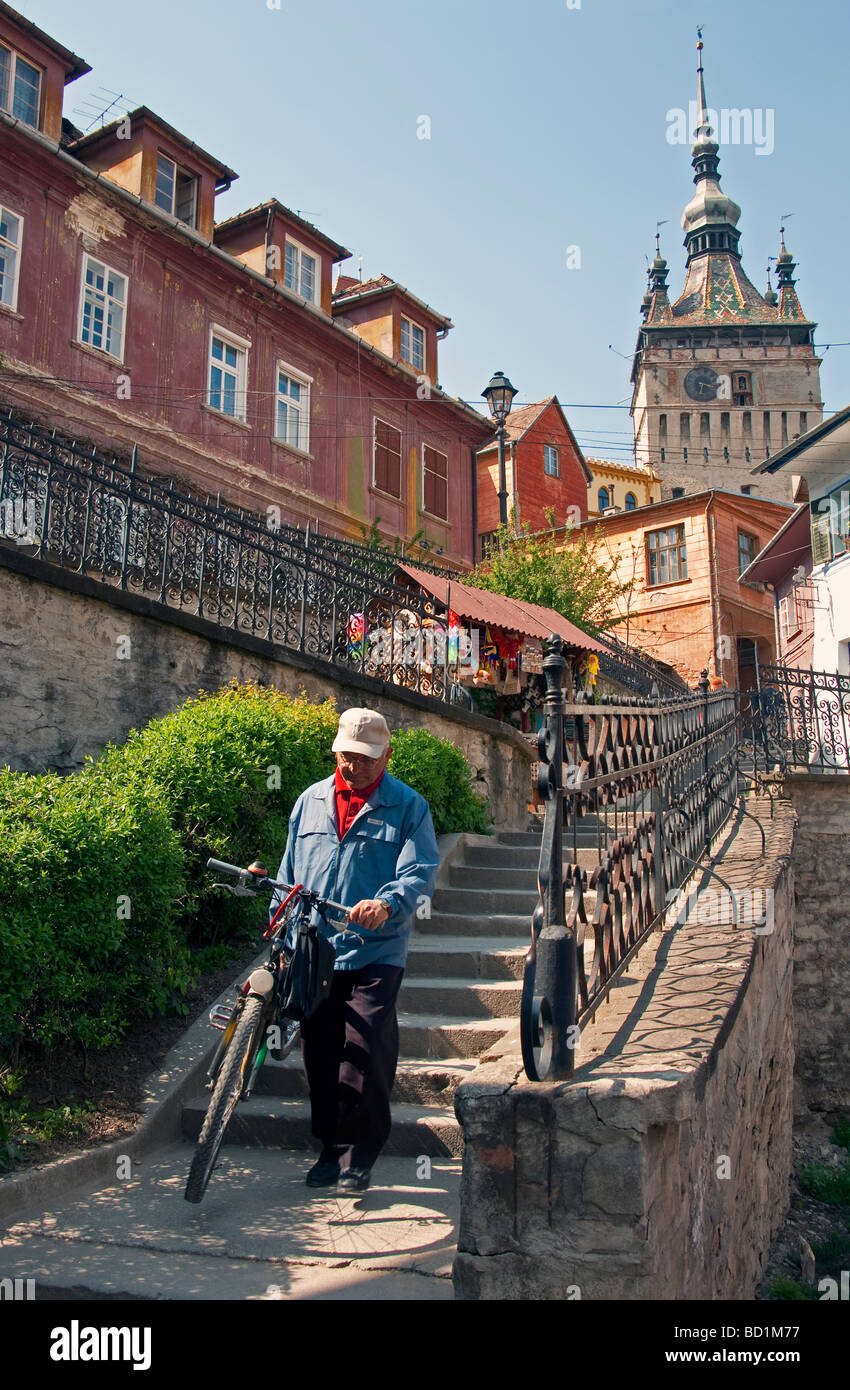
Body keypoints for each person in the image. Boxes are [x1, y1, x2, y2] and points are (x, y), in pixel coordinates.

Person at [272, 707, 440, 1193]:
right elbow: (289, 872)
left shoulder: (409, 807)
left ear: (386, 755)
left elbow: (419, 870)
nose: (355, 767)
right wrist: (282, 924)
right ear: (336, 751)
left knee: (365, 1047)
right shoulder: (310, 801)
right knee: (319, 1050)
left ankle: (357, 1156)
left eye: (366, 759)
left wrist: (387, 904)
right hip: (316, 945)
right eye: (347, 756)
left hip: (376, 949)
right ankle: (329, 1147)